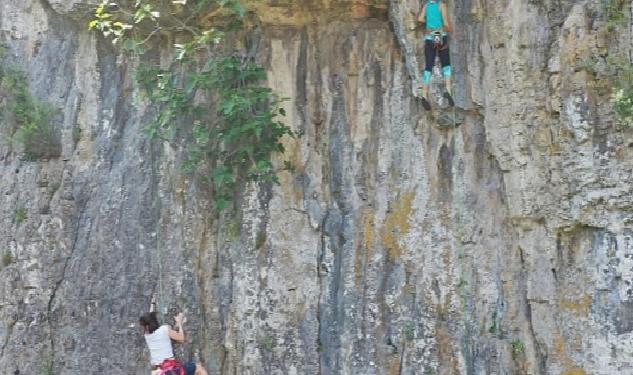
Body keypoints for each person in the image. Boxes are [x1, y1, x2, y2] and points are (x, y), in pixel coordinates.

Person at [139, 296, 209, 375]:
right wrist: (179, 322)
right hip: (170, 370)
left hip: (159, 372)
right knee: (199, 368)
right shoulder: (164, 330)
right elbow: (181, 338)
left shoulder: (147, 336)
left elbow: (150, 316)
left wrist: (153, 303)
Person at [417, 0, 454, 110]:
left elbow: (420, 19)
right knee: (446, 65)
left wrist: (429, 23)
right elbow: (446, 23)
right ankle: (448, 91)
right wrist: (451, 30)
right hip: (441, 36)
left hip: (429, 37)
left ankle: (424, 95)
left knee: (428, 66)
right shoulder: (442, 5)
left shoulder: (427, 5)